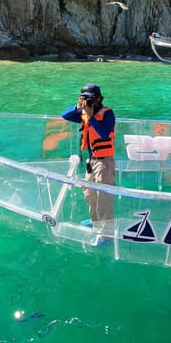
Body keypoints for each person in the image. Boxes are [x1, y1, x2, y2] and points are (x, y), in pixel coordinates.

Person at [62, 83, 116, 233]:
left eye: (90, 99)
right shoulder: (83, 113)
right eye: (85, 98)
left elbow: (104, 133)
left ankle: (106, 234)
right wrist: (78, 107)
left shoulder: (107, 114)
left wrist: (91, 117)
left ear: (99, 98)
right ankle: (96, 222)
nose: (88, 102)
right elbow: (65, 115)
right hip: (91, 161)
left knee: (104, 198)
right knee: (89, 194)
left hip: (104, 162)